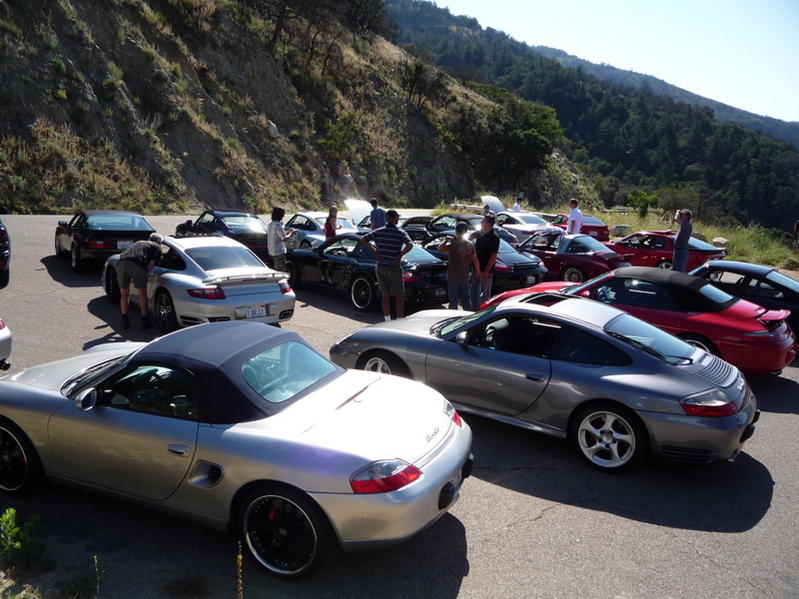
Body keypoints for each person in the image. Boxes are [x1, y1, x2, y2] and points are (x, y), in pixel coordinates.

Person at [360, 210, 413, 321]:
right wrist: (399, 256)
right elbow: (410, 245)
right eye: (397, 218)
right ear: (394, 219)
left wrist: (375, 252)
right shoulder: (401, 233)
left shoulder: (378, 231)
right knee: (399, 295)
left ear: (386, 219)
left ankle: (387, 319)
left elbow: (363, 240)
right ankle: (399, 319)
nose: (398, 219)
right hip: (393, 267)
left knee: (385, 295)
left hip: (380, 266)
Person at [117, 232, 163, 329]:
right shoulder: (157, 247)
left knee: (124, 293)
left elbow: (123, 254)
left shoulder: (139, 243)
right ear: (159, 242)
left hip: (121, 263)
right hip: (137, 265)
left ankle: (124, 319)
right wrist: (141, 274)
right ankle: (144, 320)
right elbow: (151, 264)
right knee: (142, 293)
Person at [440, 222, 481, 310]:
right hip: (465, 276)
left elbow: (441, 249)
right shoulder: (470, 244)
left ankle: (453, 320)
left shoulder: (454, 244)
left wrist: (446, 240)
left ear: (456, 231)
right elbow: (475, 259)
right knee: (466, 300)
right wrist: (478, 271)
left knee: (453, 301)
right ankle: (468, 319)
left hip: (453, 276)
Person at [471, 214, 500, 308]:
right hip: (475, 267)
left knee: (485, 293)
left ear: (488, 223)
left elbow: (493, 255)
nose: (481, 222)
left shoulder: (495, 237)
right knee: (474, 289)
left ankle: (483, 312)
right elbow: (470, 237)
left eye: (483, 221)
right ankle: (474, 310)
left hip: (486, 270)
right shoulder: (480, 232)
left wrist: (487, 270)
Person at [267, 207, 295, 271]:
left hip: (271, 251)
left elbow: (278, 234)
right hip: (278, 251)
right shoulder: (277, 225)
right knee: (282, 271)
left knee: (276, 269)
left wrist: (289, 231)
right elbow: (284, 239)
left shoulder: (270, 224)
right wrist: (292, 233)